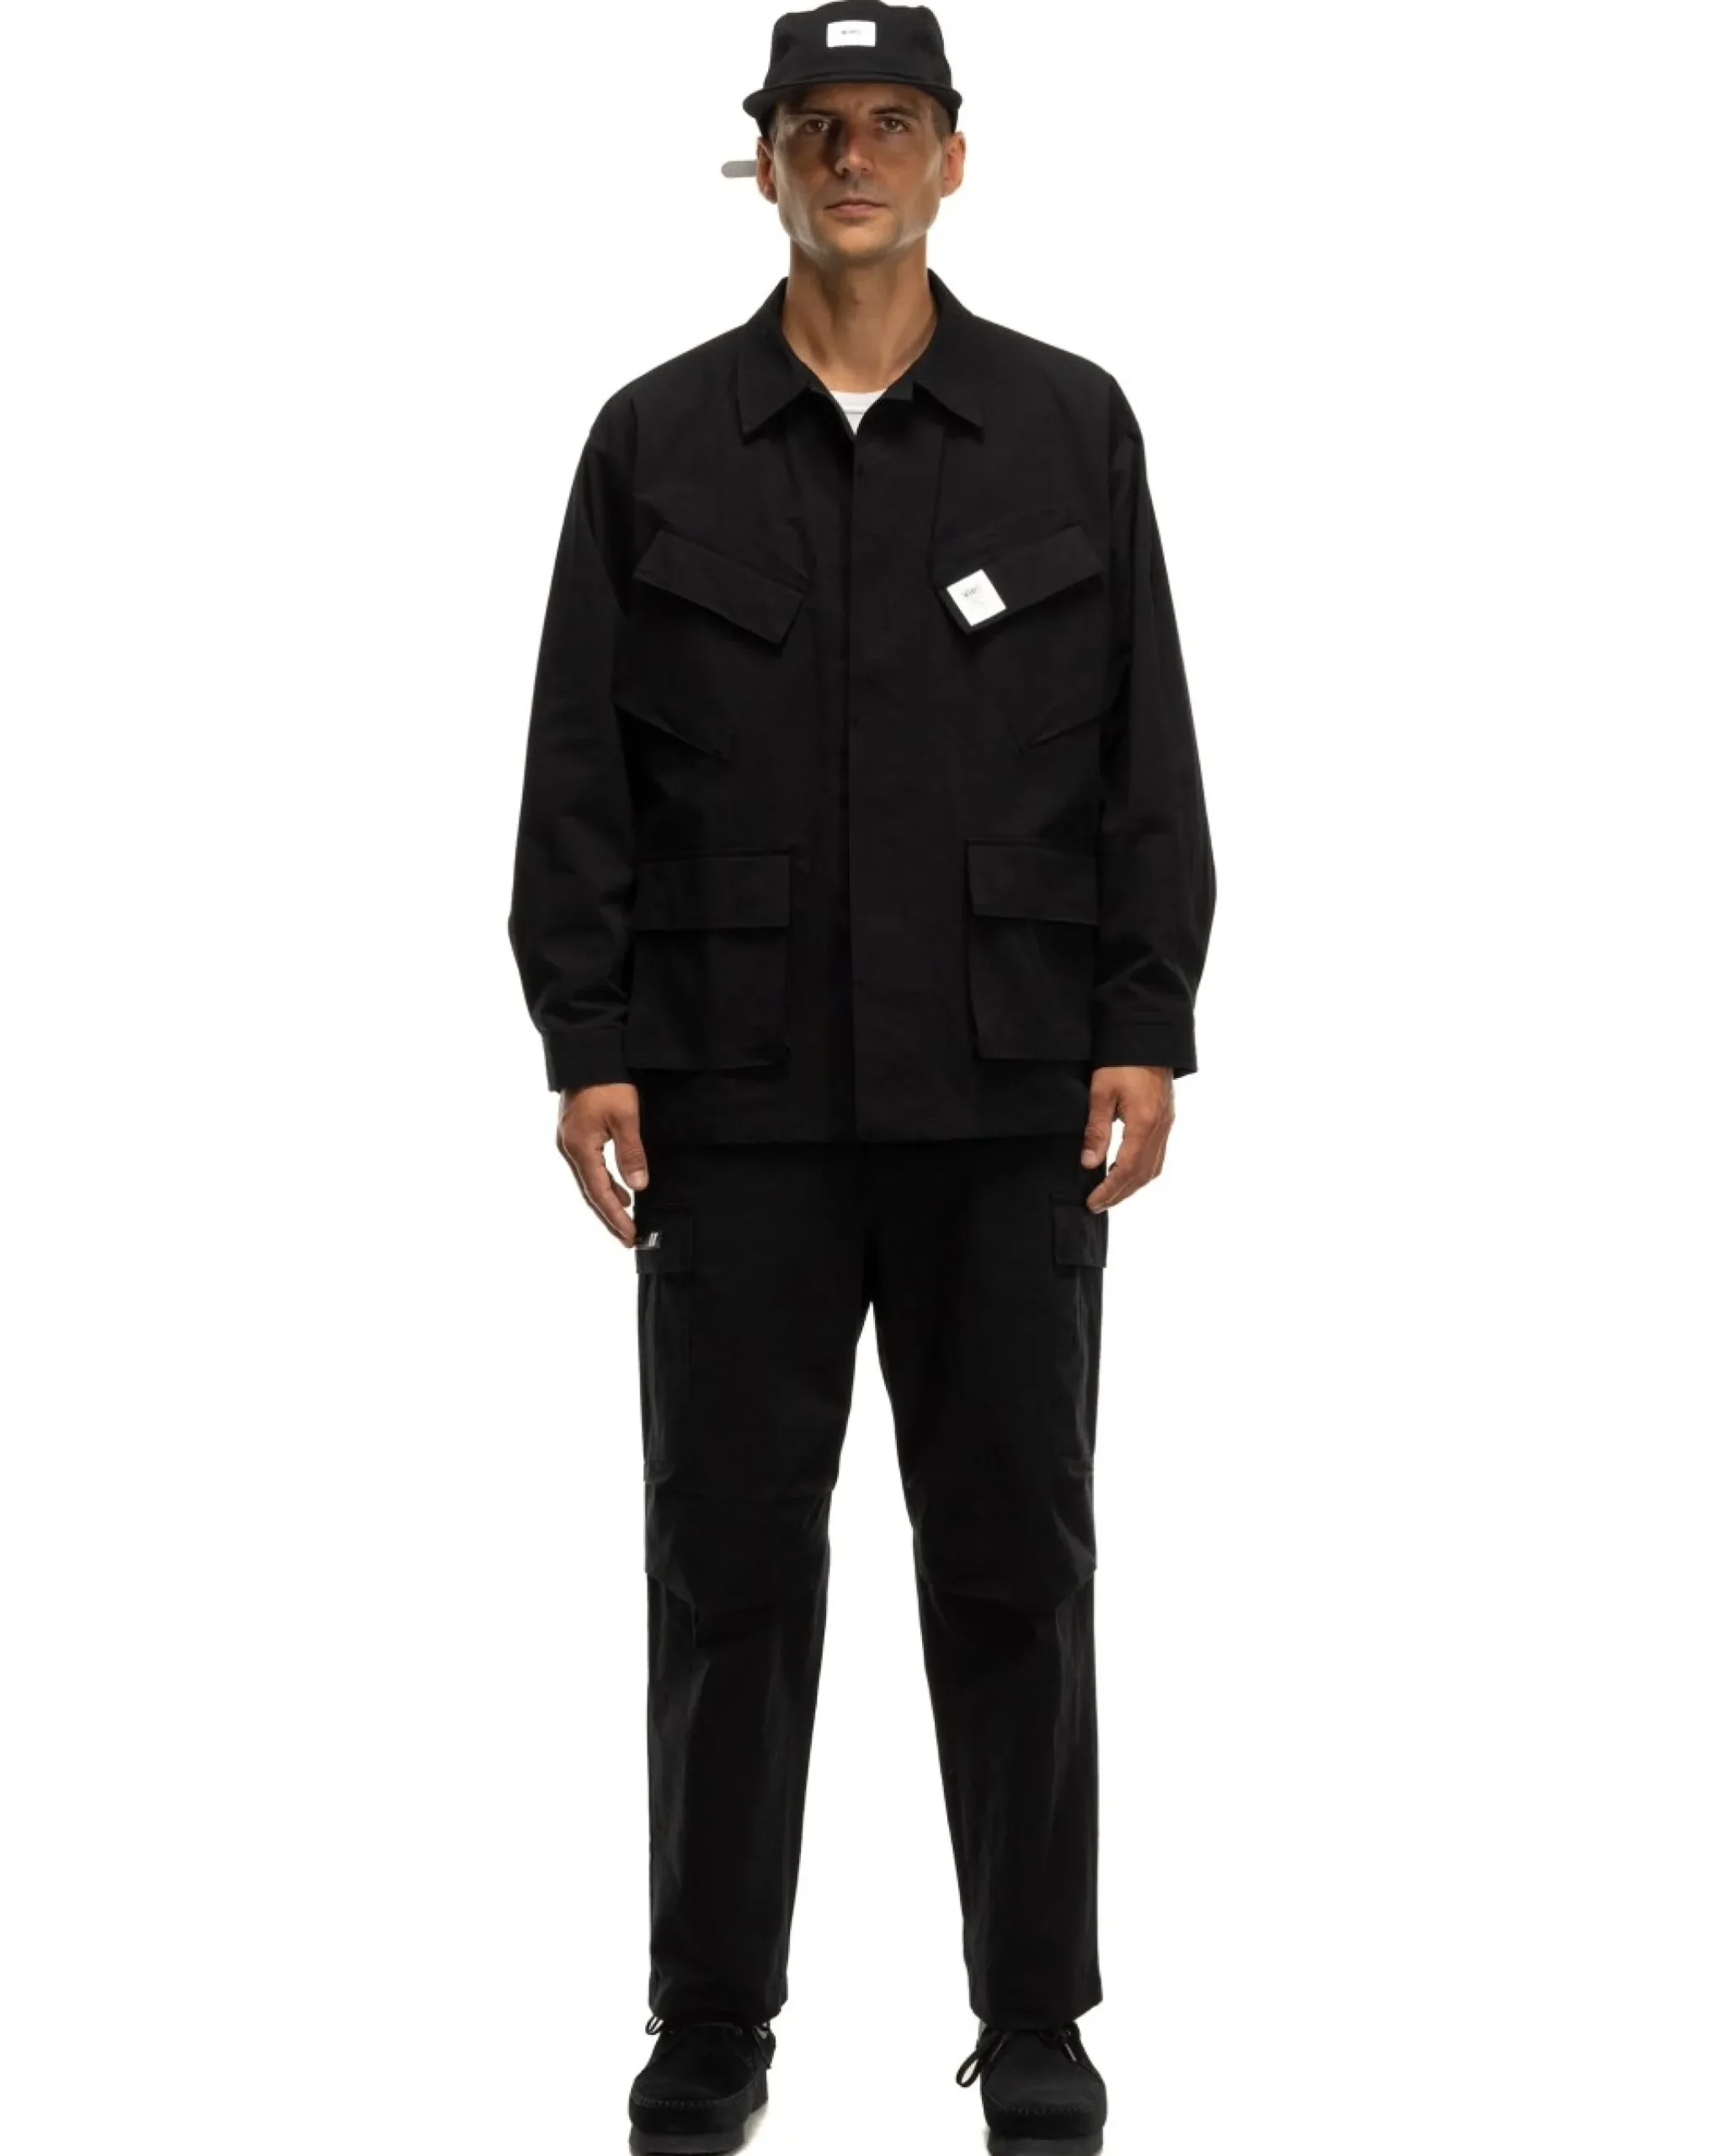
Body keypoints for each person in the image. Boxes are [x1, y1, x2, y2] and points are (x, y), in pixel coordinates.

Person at [506, 5, 1216, 2148]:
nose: (853, 157)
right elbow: (579, 770)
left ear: (952, 160)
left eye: (891, 122)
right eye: (815, 126)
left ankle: (1036, 2021)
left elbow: (1148, 754)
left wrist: (1145, 1015)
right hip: (731, 1109)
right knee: (728, 1577)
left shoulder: (1069, 426)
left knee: (1017, 1568)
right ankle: (711, 2024)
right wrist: (587, 1040)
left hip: (1009, 1104)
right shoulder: (655, 440)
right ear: (767, 162)